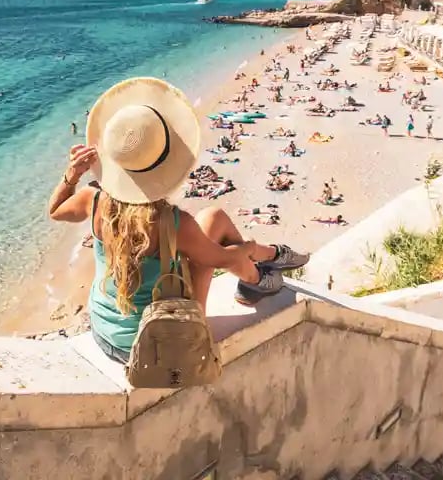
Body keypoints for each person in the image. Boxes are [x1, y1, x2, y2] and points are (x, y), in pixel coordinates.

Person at [48, 78, 309, 364]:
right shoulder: (172, 222)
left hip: (104, 335)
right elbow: (222, 259)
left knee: (212, 217)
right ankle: (265, 270)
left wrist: (71, 175)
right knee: (214, 231)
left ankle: (265, 272)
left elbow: (56, 210)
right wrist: (251, 247)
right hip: (154, 342)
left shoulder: (93, 199)